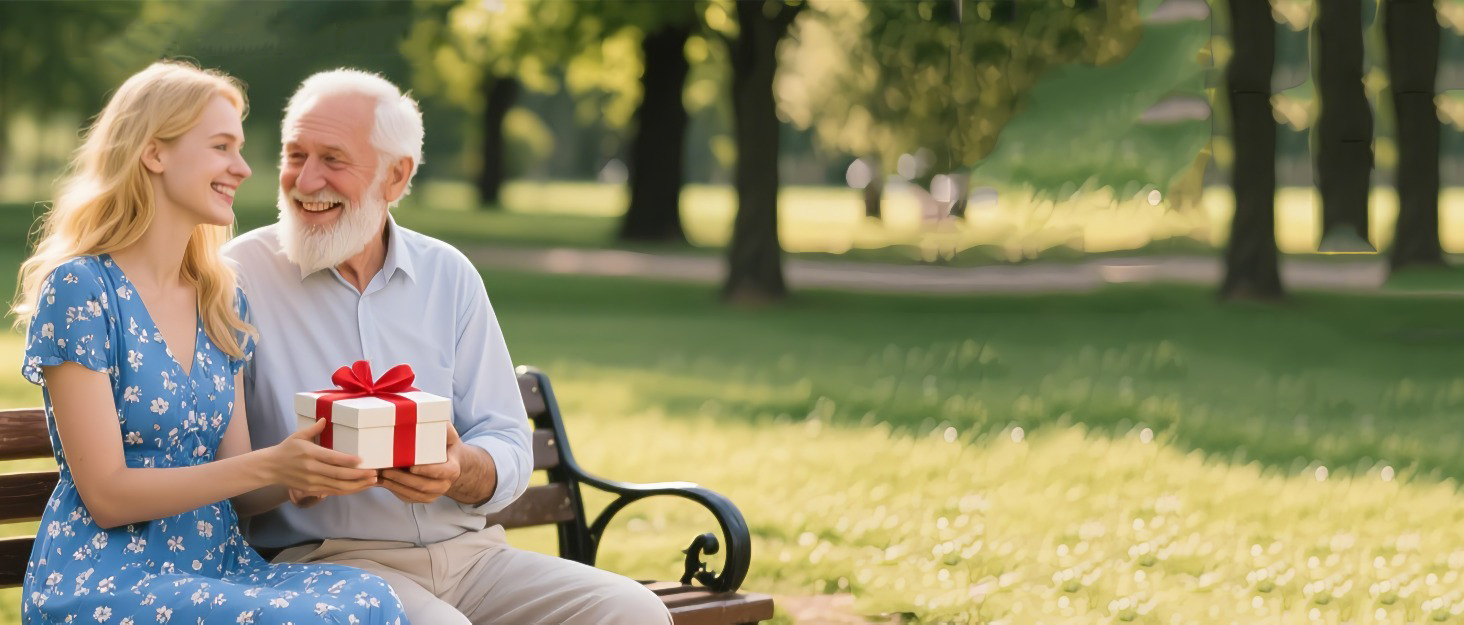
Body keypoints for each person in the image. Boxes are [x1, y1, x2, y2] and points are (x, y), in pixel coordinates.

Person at [223, 68, 672, 624]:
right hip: (324, 564)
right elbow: (218, 475)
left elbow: (507, 436)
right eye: (295, 155)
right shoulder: (237, 278)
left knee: (632, 610)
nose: (306, 180)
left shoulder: (448, 274)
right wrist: (295, 475)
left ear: (395, 176)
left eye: (333, 160)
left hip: (473, 559)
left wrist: (460, 468)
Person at [11, 60, 409, 624]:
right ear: (155, 153)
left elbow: (242, 488)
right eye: (222, 147)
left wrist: (300, 473)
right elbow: (106, 494)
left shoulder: (219, 299)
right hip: (106, 579)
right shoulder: (81, 290)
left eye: (240, 149)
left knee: (371, 599)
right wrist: (270, 463)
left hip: (215, 568)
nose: (243, 168)